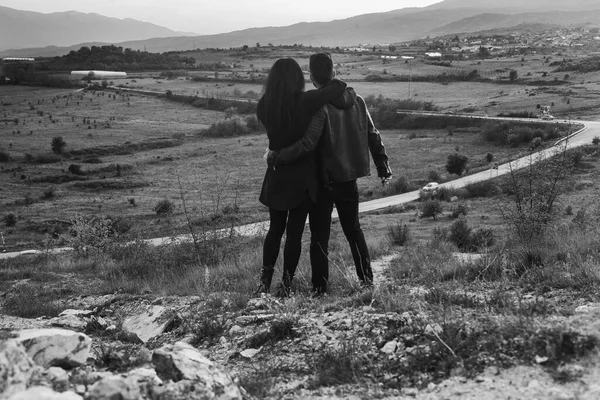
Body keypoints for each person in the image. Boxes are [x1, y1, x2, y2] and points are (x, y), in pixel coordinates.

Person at [267, 53, 392, 296]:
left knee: (319, 238)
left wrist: (277, 156)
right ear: (333, 73)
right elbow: (373, 135)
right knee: (354, 230)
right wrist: (383, 166)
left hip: (323, 181)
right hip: (349, 179)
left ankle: (320, 289)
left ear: (313, 78)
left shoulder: (320, 107)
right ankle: (367, 282)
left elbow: (307, 143)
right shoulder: (359, 101)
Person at [256, 58, 347, 297]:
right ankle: (286, 284)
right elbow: (339, 87)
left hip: (276, 174)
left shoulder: (264, 105)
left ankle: (264, 281)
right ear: (297, 78)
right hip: (302, 177)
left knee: (274, 230)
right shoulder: (305, 102)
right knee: (294, 233)